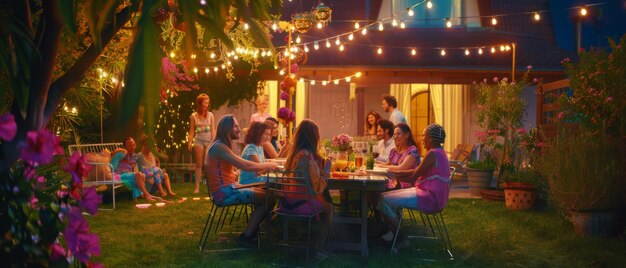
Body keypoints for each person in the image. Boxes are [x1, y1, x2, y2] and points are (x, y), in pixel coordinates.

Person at [205, 114, 279, 248]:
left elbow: (232, 170)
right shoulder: (219, 147)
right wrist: (268, 165)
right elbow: (246, 166)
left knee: (268, 195)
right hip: (224, 193)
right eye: (236, 126)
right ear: (227, 128)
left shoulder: (220, 145)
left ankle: (255, 230)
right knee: (268, 199)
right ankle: (246, 236)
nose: (239, 129)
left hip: (230, 188)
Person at [377, 124, 451, 248]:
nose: (422, 139)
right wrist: (394, 173)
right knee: (383, 198)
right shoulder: (440, 152)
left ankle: (401, 238)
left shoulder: (432, 154)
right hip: (434, 196)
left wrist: (393, 175)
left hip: (430, 197)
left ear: (431, 139)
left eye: (424, 136)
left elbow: (413, 176)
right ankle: (392, 232)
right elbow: (415, 171)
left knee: (383, 200)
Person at [283, 119, 333, 260]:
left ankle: (309, 238)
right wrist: (326, 171)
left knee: (324, 202)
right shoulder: (307, 157)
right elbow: (316, 189)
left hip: (288, 201)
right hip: (302, 203)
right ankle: (321, 248)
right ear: (313, 137)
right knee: (328, 207)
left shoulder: (295, 154)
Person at [188, 93, 216, 194]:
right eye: (205, 102)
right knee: (199, 164)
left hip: (208, 140)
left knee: (208, 163)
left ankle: (211, 186)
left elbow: (213, 130)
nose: (206, 104)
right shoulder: (193, 116)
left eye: (208, 102)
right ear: (200, 103)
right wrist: (189, 142)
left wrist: (214, 142)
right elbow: (191, 131)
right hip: (198, 140)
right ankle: (197, 187)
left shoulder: (211, 115)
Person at [382, 123, 421, 189]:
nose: (395, 137)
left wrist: (382, 166)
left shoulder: (412, 150)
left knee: (377, 188)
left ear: (407, 135)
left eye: (398, 134)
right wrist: (375, 165)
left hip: (407, 184)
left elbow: (401, 168)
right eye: (394, 134)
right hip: (394, 181)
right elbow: (387, 164)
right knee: (373, 186)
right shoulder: (394, 151)